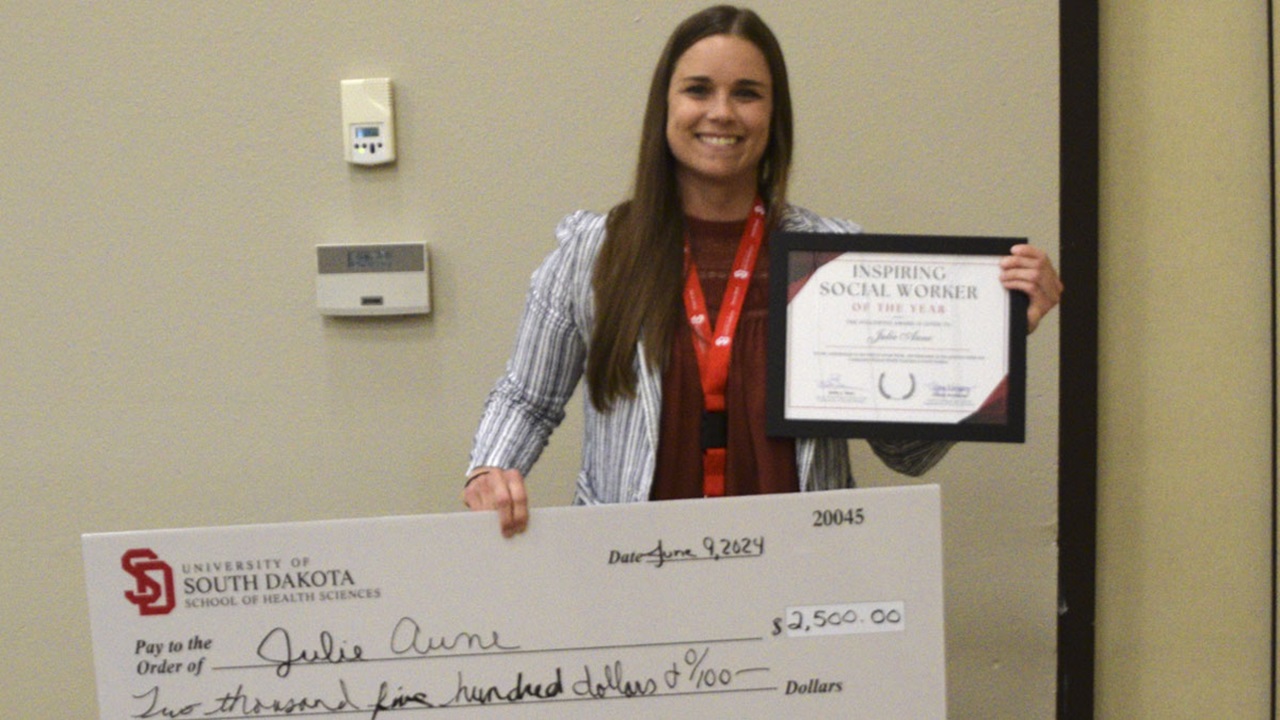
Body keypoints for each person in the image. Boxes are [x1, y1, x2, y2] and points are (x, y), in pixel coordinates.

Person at [464, 5, 1062, 537]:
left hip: (800, 581)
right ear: (665, 107)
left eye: (747, 93)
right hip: (633, 573)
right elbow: (527, 397)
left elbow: (903, 448)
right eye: (698, 90)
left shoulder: (836, 262)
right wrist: (490, 467)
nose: (721, 113)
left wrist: (999, 334)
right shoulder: (595, 252)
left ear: (774, 114)